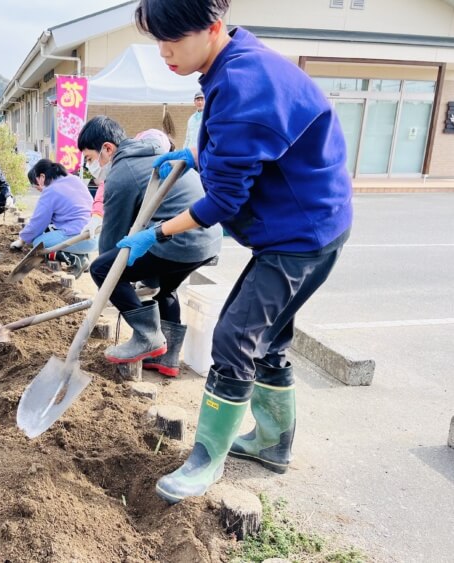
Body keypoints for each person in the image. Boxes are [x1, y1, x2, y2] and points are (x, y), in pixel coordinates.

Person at [123, 0, 354, 504]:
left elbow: (225, 201)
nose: (165, 51)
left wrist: (156, 234)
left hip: (301, 236)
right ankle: (273, 444)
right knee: (265, 335)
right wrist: (198, 152)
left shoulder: (243, 84)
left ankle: (207, 459)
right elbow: (250, 144)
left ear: (211, 26)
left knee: (234, 335)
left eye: (174, 39)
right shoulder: (234, 61)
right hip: (309, 225)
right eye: (158, 40)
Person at [77, 116, 222, 375]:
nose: (91, 167)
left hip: (179, 240)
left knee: (101, 269)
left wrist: (116, 281)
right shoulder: (153, 152)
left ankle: (147, 337)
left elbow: (113, 243)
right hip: (208, 239)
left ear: (108, 149)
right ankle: (167, 360)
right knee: (167, 288)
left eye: (90, 158)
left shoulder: (122, 174)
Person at [10, 159, 97, 278]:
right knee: (50, 232)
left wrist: (22, 240)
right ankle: (84, 256)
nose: (39, 190)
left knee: (38, 243)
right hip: (95, 235)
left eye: (37, 186)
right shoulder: (74, 180)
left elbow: (37, 223)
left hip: (80, 238)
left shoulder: (50, 190)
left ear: (41, 177)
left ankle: (77, 259)